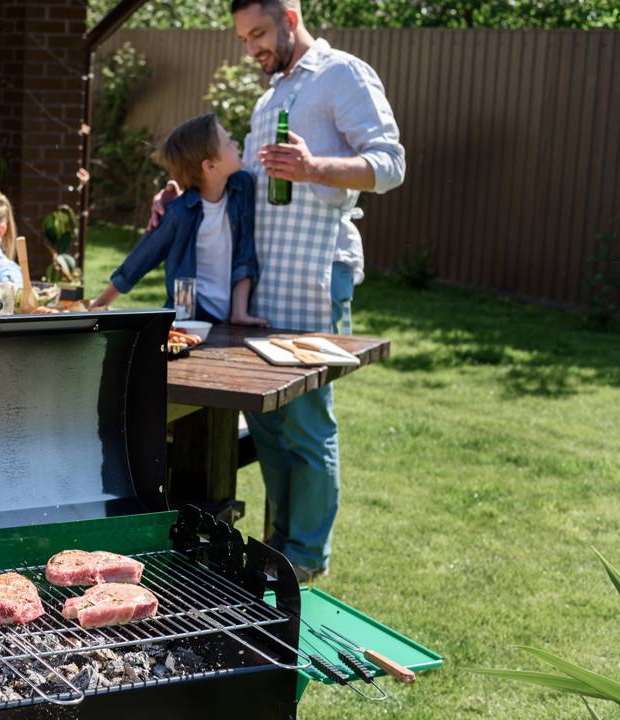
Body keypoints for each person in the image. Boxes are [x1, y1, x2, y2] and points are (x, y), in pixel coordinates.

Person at [152, 0, 405, 580]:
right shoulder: (269, 99)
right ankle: (278, 548)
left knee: (309, 419)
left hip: (316, 275)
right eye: (244, 39)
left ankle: (308, 556)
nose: (253, 49)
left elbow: (390, 165)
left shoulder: (342, 74)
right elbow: (240, 180)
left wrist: (317, 168)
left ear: (291, 16)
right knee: (267, 421)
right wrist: (182, 191)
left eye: (260, 33)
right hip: (263, 287)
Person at [92, 113, 268, 328]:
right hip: (189, 318)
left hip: (227, 318)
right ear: (210, 166)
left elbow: (245, 251)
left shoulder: (242, 188)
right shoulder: (179, 213)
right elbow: (141, 259)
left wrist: (239, 312)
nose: (236, 143)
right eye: (228, 143)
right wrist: (97, 307)